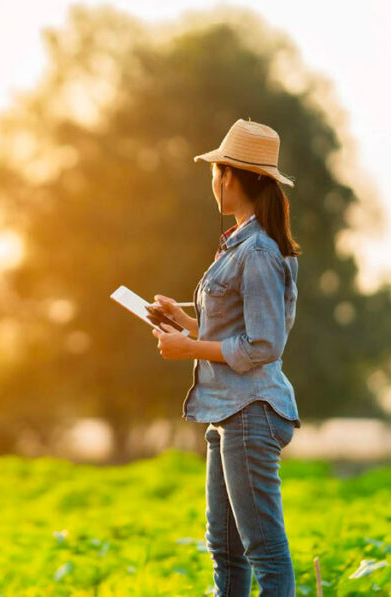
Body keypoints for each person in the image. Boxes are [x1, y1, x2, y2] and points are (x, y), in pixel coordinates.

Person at [149, 118, 302, 596]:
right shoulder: (241, 245)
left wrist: (189, 348)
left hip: (249, 412)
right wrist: (185, 321)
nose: (213, 182)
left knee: (262, 551)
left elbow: (264, 345)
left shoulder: (257, 251)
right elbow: (237, 330)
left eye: (216, 171)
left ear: (231, 176)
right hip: (228, 412)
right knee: (226, 552)